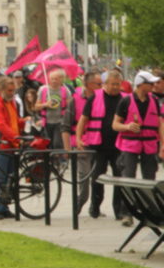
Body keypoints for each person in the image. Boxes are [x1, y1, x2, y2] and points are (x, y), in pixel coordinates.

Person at [112, 71, 164, 227]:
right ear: (141, 84)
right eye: (150, 83)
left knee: (149, 179)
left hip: (149, 145)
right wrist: (127, 126)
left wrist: (163, 145)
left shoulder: (154, 101)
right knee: (128, 178)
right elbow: (115, 125)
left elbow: (160, 124)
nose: (154, 85)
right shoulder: (126, 101)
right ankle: (127, 214)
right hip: (130, 145)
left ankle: (152, 213)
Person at [76, 70, 125, 220]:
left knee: (119, 178)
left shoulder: (124, 98)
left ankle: (119, 210)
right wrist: (78, 138)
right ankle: (95, 206)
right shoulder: (95, 97)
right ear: (105, 84)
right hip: (99, 146)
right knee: (97, 178)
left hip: (119, 146)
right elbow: (83, 119)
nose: (115, 87)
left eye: (117, 84)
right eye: (112, 84)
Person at [0, 76, 27, 220]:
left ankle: (3, 208)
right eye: (9, 90)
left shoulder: (11, 102)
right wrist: (16, 138)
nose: (12, 93)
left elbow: (13, 122)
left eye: (13, 90)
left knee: (9, 180)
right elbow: (2, 126)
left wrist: (23, 122)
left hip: (10, 145)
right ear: (1, 89)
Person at [61, 71, 102, 215]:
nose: (102, 87)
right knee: (84, 175)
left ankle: (95, 206)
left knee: (98, 176)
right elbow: (65, 126)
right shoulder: (75, 100)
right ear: (89, 84)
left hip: (98, 143)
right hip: (80, 143)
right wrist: (67, 149)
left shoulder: (102, 98)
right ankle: (81, 201)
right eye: (99, 84)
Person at [34, 69, 72, 149]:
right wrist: (45, 104)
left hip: (60, 121)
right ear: (49, 79)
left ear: (60, 80)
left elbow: (70, 106)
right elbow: (36, 106)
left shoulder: (65, 91)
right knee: (48, 144)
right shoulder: (43, 90)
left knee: (57, 143)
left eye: (56, 79)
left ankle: (58, 156)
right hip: (46, 122)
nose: (54, 81)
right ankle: (51, 156)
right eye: (52, 78)